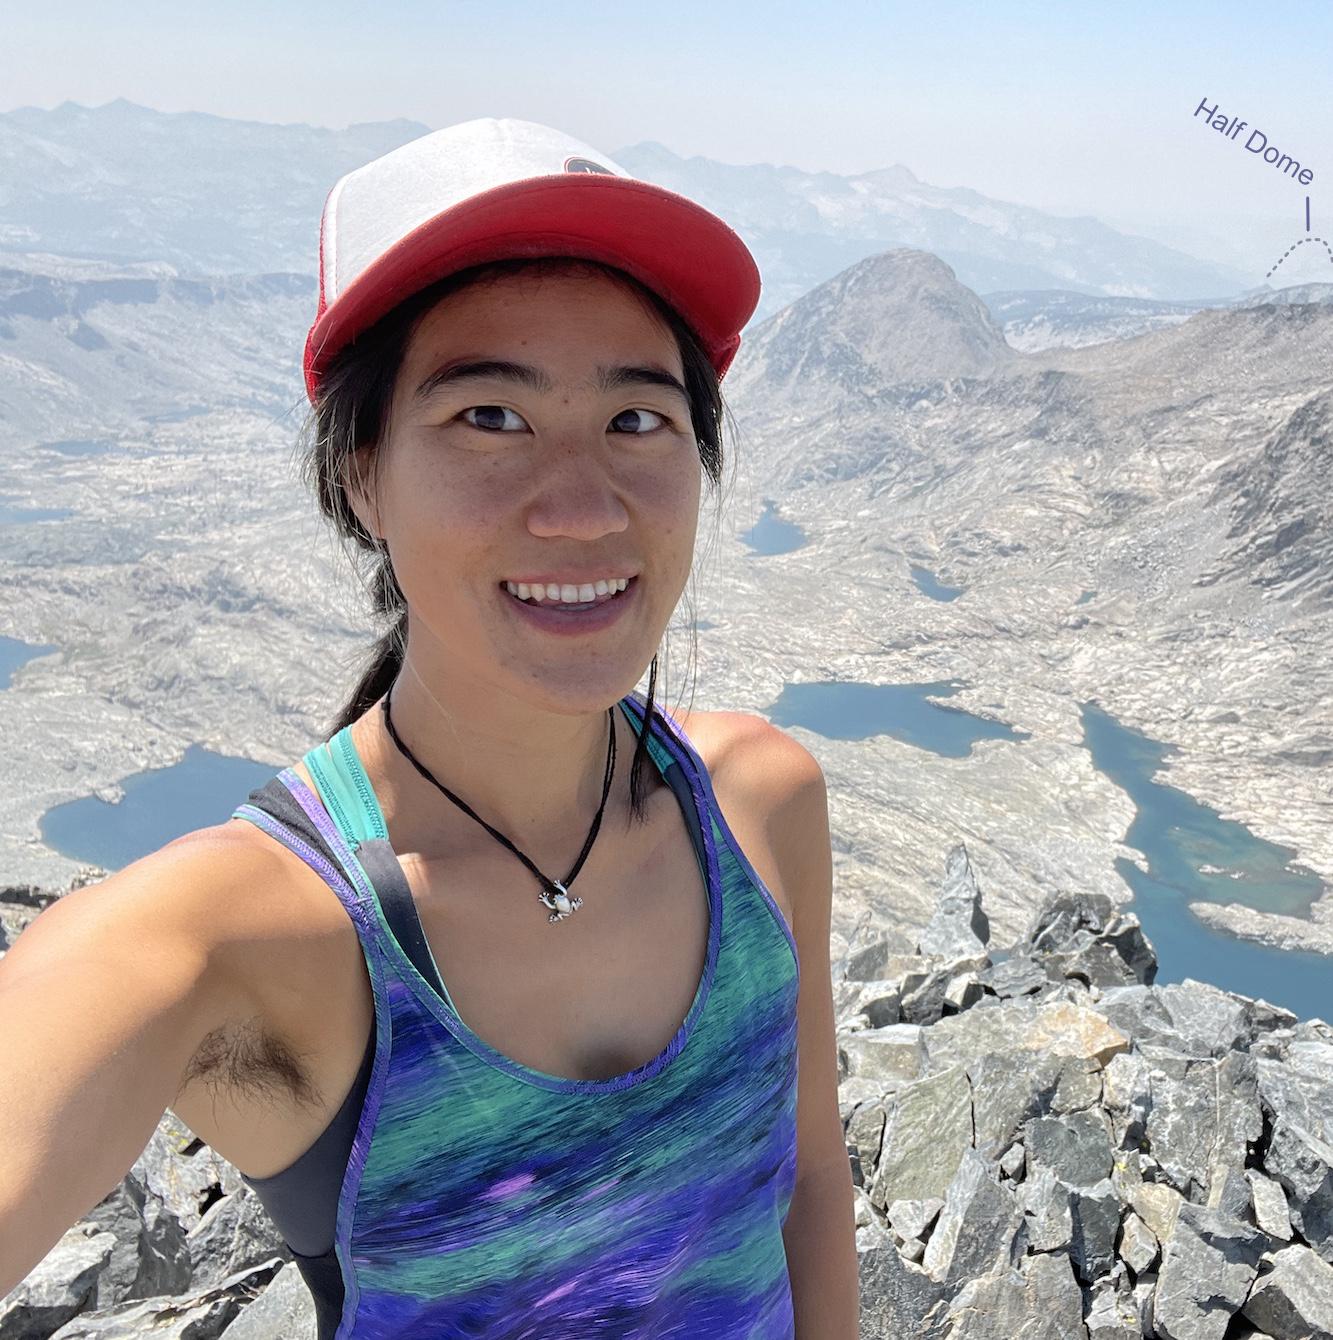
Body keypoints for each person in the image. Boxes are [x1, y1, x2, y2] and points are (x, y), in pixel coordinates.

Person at [0, 120, 858, 1338]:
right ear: (361, 474)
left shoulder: (762, 799)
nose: (579, 506)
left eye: (637, 421)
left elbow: (806, 1176)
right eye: (489, 417)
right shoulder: (241, 935)